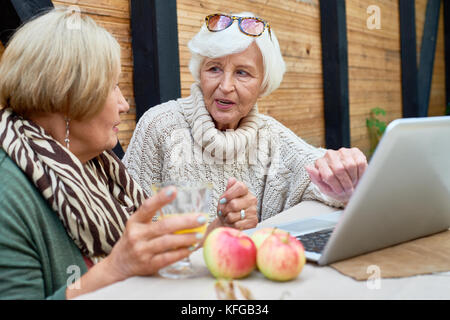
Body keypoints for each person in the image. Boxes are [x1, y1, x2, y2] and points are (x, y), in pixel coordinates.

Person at [0, 9, 207, 300]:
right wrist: (116, 267)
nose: (123, 104)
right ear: (69, 98)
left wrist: (214, 230)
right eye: (112, 87)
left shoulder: (102, 169)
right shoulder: (8, 194)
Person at [123, 12, 368, 231]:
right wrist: (216, 229)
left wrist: (343, 171)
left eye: (242, 73)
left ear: (263, 84)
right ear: (200, 72)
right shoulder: (161, 126)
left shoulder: (271, 136)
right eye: (214, 69)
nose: (225, 86)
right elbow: (125, 226)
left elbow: (324, 183)